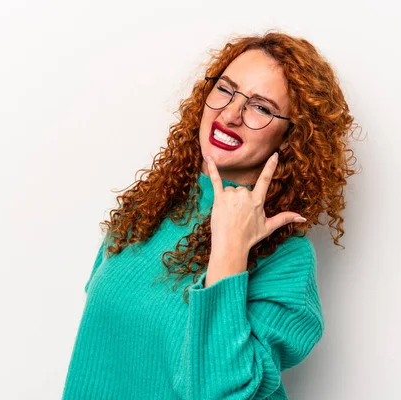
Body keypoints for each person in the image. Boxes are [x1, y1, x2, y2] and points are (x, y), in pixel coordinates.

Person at [62, 30, 357, 399]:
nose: (231, 114)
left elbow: (216, 392)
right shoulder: (152, 205)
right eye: (226, 90)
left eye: (261, 108)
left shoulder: (286, 259)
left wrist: (230, 251)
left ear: (291, 139)